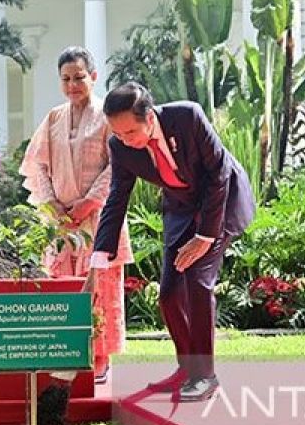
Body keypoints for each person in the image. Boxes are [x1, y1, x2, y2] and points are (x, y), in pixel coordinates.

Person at [87, 82, 255, 402]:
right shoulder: (121, 146)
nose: (125, 140)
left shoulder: (188, 118)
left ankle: (205, 376)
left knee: (197, 280)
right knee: (169, 294)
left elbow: (218, 173)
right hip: (181, 211)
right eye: (118, 134)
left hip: (221, 203)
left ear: (149, 117)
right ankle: (187, 369)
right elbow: (117, 197)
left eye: (131, 132)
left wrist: (206, 236)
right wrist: (101, 251)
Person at [19, 46, 131, 383]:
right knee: (64, 288)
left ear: (93, 77)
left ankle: (99, 358)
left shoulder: (108, 117)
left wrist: (87, 203)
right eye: (66, 79)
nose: (73, 85)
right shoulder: (53, 117)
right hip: (61, 222)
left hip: (100, 218)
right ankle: (67, 354)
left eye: (79, 77)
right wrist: (52, 203)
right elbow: (37, 163)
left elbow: (119, 167)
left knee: (100, 288)